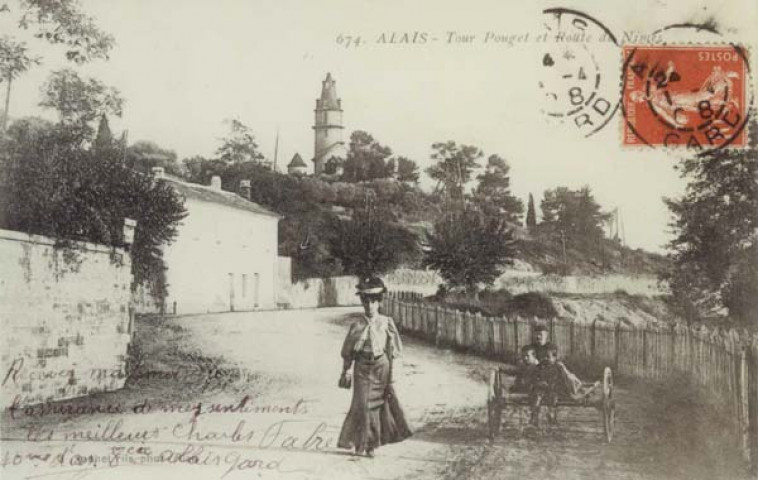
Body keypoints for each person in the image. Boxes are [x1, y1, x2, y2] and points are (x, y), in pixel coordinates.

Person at [337, 276, 411, 457]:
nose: (370, 306)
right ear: (362, 303)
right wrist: (346, 370)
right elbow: (348, 352)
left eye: (373, 302)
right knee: (361, 405)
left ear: (379, 303)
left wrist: (392, 375)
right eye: (366, 302)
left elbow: (393, 351)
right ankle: (358, 442)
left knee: (377, 406)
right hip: (362, 368)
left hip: (381, 368)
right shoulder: (357, 325)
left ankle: (370, 446)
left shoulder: (387, 323)